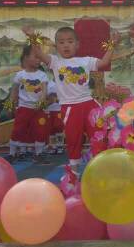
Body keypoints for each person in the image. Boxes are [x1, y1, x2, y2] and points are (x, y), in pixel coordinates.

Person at [23, 25, 117, 172]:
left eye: (70, 41)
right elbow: (38, 53)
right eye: (61, 42)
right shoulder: (55, 62)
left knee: (98, 135)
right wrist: (32, 36)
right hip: (70, 108)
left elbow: (104, 62)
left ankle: (102, 168)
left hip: (89, 105)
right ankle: (73, 172)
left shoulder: (86, 61)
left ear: (77, 44)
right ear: (56, 46)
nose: (66, 45)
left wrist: (112, 44)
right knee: (73, 140)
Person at [9, 46, 49, 162]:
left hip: (39, 109)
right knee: (18, 130)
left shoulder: (42, 75)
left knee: (40, 130)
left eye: (39, 57)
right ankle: (12, 153)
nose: (38, 60)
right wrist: (11, 106)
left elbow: (44, 91)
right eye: (35, 57)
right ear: (26, 57)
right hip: (24, 108)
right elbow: (14, 92)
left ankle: (39, 154)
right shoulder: (20, 75)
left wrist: (41, 102)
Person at [45, 79, 64, 155]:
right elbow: (45, 96)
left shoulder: (64, 83)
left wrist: (57, 99)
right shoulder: (48, 84)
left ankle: (60, 146)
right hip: (49, 110)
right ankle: (53, 146)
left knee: (59, 127)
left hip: (59, 109)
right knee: (51, 129)